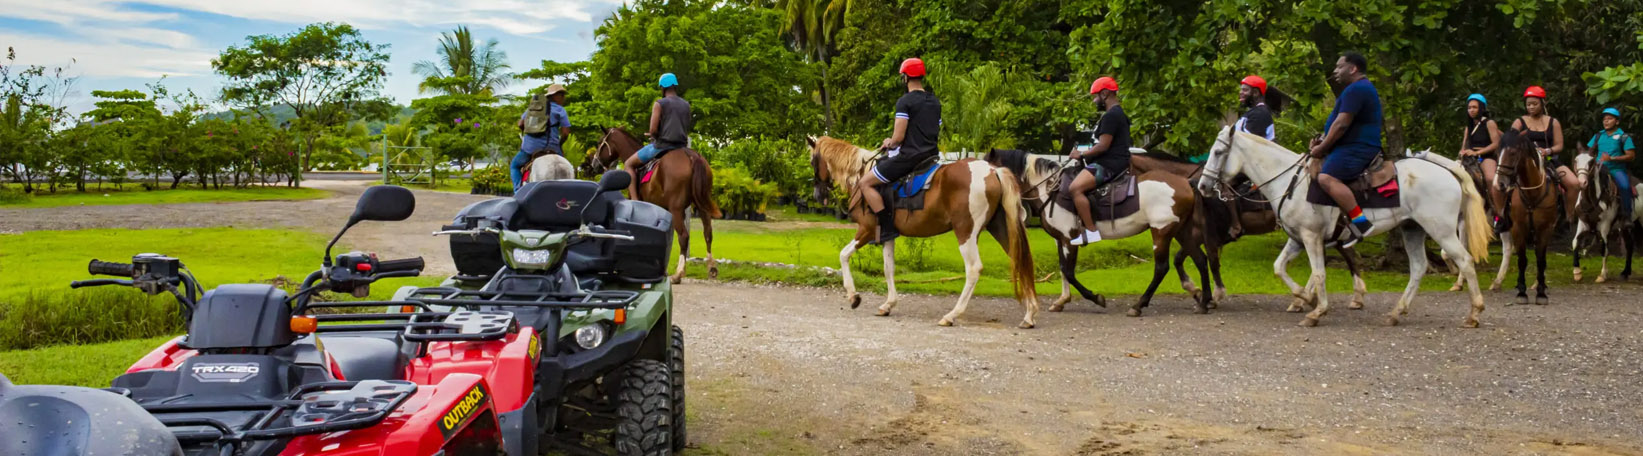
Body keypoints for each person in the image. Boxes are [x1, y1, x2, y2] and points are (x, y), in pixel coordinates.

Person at [855, 57, 941, 244]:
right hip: (932, 157)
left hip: (910, 158)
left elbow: (899, 138)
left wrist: (889, 142)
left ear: (905, 77)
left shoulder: (905, 102)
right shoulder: (935, 102)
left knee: (865, 183)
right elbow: (933, 130)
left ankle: (887, 227)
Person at [1308, 51, 1383, 248]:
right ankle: (1337, 227)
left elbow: (1341, 124)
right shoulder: (1356, 89)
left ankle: (1361, 222)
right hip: (1351, 145)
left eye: (1339, 66)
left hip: (1357, 147)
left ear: (1353, 68)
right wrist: (1322, 141)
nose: (1335, 71)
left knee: (1326, 178)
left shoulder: (1356, 89)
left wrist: (1322, 148)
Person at [1501, 86, 1581, 229]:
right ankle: (1502, 217)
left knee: (1574, 184)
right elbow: (1511, 140)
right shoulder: (1520, 121)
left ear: (1543, 103)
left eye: (1534, 104)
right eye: (1528, 104)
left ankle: (1568, 219)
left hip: (1548, 159)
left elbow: (1559, 145)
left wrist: (1548, 151)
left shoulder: (1552, 122)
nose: (1531, 107)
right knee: (1504, 181)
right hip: (1524, 161)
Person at [1068, 76, 1131, 246]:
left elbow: (1103, 146)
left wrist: (1080, 155)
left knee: (1075, 188)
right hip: (1113, 161)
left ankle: (1091, 231)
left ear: (1105, 94)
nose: (1094, 101)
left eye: (1095, 96)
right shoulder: (1117, 114)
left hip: (1109, 164)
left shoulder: (1112, 116)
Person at [624, 73, 693, 197]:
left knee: (628, 164)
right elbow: (684, 126)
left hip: (663, 145)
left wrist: (653, 135)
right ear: (675, 86)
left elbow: (653, 129)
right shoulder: (686, 104)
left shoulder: (660, 103)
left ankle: (634, 199)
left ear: (663, 87)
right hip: (682, 147)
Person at [1459, 94, 1504, 227]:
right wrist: (1463, 152)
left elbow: (1496, 143)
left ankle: (1497, 210)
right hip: (1469, 157)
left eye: (1474, 107)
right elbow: (1464, 144)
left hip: (1486, 156)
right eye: (1469, 107)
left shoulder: (1489, 123)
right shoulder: (1469, 126)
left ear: (1481, 108)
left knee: (1490, 178)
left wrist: (1477, 152)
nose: (1471, 110)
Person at [513, 84, 571, 186]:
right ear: (554, 96)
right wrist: (559, 144)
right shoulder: (561, 110)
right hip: (553, 147)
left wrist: (530, 131)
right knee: (567, 168)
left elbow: (520, 124)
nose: (563, 98)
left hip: (530, 148)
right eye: (561, 95)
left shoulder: (534, 107)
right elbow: (566, 133)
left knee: (515, 166)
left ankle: (518, 191)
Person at [1588, 107, 1636, 222]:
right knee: (1583, 183)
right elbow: (1590, 151)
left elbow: (1631, 156)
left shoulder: (1624, 137)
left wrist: (1612, 158)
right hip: (1598, 169)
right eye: (1604, 119)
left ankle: (1626, 216)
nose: (1606, 121)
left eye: (1609, 119)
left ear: (1617, 121)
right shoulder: (1598, 135)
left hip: (1616, 170)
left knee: (1624, 187)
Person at [1235, 75, 1276, 141]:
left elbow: (1246, 143)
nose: (1240, 93)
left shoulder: (1260, 114)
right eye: (1241, 90)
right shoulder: (1254, 112)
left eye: (1245, 90)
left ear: (1255, 93)